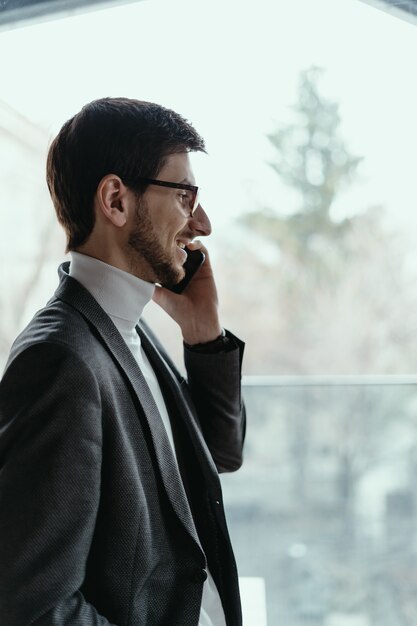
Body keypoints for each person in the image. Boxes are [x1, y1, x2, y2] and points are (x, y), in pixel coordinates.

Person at [0, 98, 246, 626]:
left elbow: (216, 459)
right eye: (184, 196)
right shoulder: (60, 360)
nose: (202, 222)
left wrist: (203, 337)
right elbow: (34, 608)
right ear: (115, 199)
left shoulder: (127, 327)